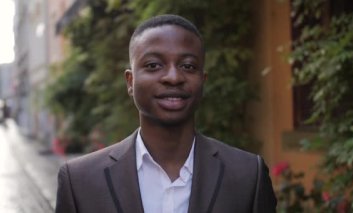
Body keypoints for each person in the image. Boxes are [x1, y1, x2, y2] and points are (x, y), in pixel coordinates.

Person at [55, 14, 277, 213]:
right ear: (130, 82)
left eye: (188, 66)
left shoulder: (248, 175)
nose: (173, 77)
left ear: (203, 81)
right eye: (153, 65)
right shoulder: (80, 181)